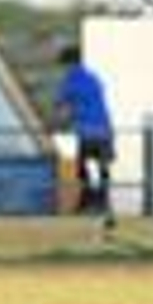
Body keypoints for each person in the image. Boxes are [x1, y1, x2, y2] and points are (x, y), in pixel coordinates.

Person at [54, 42, 114, 215]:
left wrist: (57, 125)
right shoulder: (94, 77)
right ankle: (100, 204)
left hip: (86, 132)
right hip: (104, 130)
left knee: (85, 169)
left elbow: (60, 106)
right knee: (100, 169)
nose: (62, 69)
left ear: (69, 63)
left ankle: (89, 204)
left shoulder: (70, 80)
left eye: (63, 65)